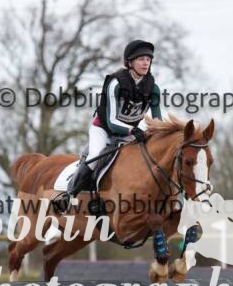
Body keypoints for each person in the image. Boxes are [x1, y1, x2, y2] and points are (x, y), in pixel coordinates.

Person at [53, 39, 163, 213]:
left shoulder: (153, 88)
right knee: (96, 155)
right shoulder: (116, 83)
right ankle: (68, 195)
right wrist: (133, 130)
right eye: (141, 59)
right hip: (103, 129)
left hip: (128, 133)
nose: (145, 63)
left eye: (148, 59)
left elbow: (158, 120)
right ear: (130, 62)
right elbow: (112, 121)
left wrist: (160, 135)